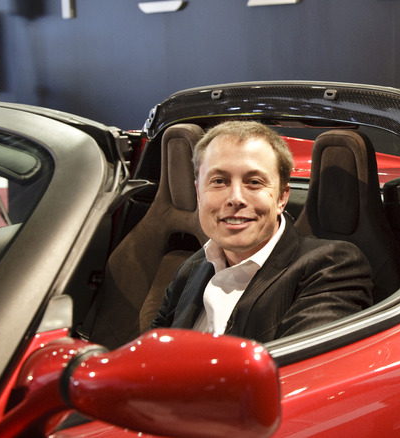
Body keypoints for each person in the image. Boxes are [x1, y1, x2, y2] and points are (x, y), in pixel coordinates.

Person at [151, 121, 374, 342]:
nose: (235, 198)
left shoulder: (331, 267)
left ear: (281, 198)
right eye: (219, 181)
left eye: (254, 182)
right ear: (199, 194)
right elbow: (151, 358)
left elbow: (299, 371)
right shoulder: (190, 269)